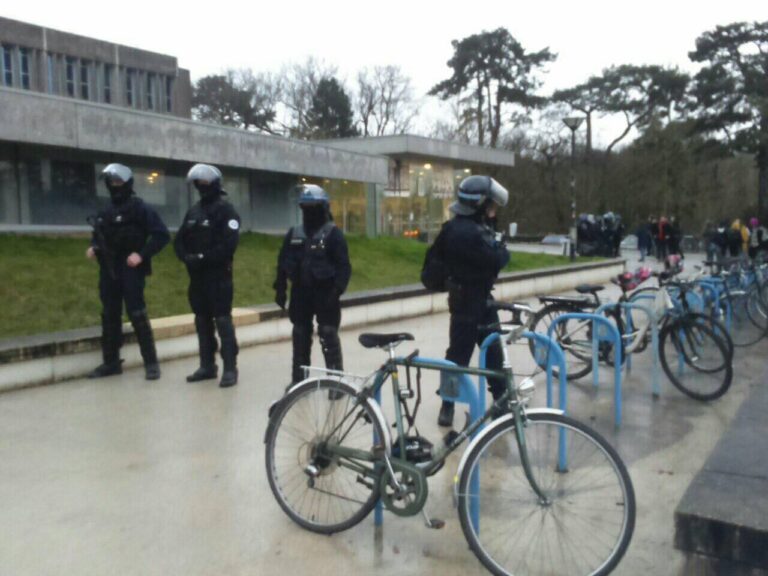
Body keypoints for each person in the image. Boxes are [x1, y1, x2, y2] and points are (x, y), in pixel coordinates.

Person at [427, 175, 510, 427]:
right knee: (493, 355)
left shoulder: (451, 228)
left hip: (462, 303)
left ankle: (447, 407)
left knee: (456, 358)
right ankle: (501, 402)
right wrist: (502, 249)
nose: (494, 211)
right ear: (480, 205)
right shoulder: (473, 233)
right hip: (478, 304)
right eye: (491, 206)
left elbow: (430, 270)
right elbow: (498, 260)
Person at [86, 163, 170, 380]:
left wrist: (141, 255)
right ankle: (111, 362)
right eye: (111, 182)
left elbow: (161, 235)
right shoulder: (105, 211)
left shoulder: (140, 208)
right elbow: (99, 235)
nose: (114, 186)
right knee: (110, 315)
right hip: (109, 268)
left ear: (127, 183)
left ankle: (151, 363)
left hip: (132, 269)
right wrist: (94, 247)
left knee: (137, 314)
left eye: (118, 182)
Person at [274, 184, 351, 386]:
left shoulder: (333, 234)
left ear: (323, 208)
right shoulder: (295, 233)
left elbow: (344, 266)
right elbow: (283, 262)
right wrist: (280, 288)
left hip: (326, 293)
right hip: (300, 293)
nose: (309, 212)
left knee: (328, 333)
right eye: (305, 207)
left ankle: (335, 381)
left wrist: (336, 291)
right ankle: (298, 381)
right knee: (300, 335)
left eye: (313, 207)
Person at [174, 164, 241, 388]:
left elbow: (229, 244)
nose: (201, 186)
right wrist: (185, 257)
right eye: (198, 183)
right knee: (201, 320)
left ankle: (230, 368)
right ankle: (207, 366)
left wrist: (203, 257)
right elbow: (180, 240)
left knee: (222, 320)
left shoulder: (226, 210)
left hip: (219, 276)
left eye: (204, 182)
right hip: (197, 278)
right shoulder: (193, 211)